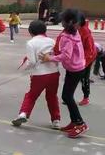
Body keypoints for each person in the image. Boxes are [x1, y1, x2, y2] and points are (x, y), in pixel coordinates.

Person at [41, 9, 88, 139]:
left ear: (71, 22)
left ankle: (80, 123)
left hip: (75, 69)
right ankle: (74, 122)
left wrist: (49, 58)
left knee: (67, 97)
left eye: (63, 21)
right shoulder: (73, 32)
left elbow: (66, 56)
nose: (61, 22)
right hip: (76, 68)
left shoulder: (68, 36)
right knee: (67, 96)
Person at [11, 20, 60, 129]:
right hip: (54, 73)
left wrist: (25, 66)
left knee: (31, 95)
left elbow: (32, 61)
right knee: (52, 96)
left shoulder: (31, 43)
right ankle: (56, 120)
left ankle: (23, 113)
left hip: (39, 74)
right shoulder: (52, 41)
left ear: (31, 31)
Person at [77, 13, 97, 107]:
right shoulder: (74, 28)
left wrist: (83, 62)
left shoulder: (85, 31)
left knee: (84, 77)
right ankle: (68, 97)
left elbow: (89, 50)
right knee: (73, 77)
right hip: (79, 57)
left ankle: (86, 97)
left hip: (88, 57)